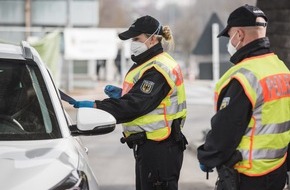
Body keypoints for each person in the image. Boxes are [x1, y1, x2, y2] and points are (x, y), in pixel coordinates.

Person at [69, 15, 187, 190]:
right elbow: (144, 98)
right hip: (154, 147)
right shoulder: (150, 63)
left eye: (136, 39)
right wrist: (124, 94)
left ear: (152, 39)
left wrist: (97, 106)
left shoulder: (158, 68)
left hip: (160, 148)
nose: (133, 43)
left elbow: (135, 105)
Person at [197, 4, 290, 190]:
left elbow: (226, 130)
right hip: (277, 171)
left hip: (248, 176)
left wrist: (207, 155)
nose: (229, 42)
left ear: (239, 35)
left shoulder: (243, 76)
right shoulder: (281, 69)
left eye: (229, 36)